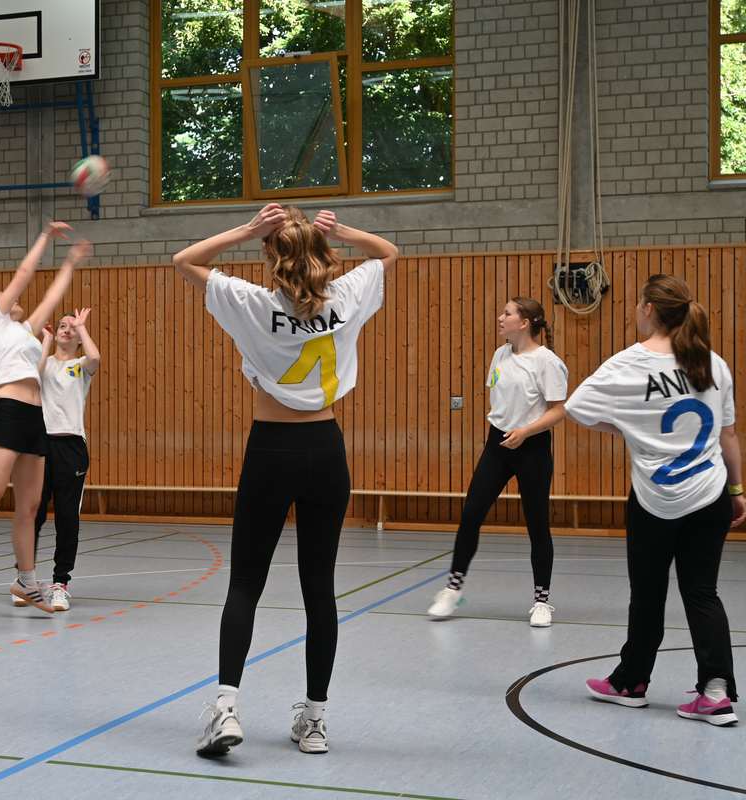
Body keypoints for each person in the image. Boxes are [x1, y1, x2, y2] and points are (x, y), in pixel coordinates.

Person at [174, 204, 398, 757]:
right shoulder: (345, 297)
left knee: (245, 584)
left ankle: (226, 710)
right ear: (321, 257)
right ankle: (315, 721)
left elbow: (185, 260)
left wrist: (249, 229)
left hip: (271, 450)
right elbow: (388, 253)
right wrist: (340, 231)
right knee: (318, 590)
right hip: (327, 453)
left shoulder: (253, 303)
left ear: (270, 257)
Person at [566, 273, 744, 726]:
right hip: (710, 495)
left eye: (636, 303)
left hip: (654, 500)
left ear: (648, 309)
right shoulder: (712, 363)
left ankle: (631, 683)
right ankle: (716, 692)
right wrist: (737, 491)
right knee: (703, 593)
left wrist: (627, 426)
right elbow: (728, 434)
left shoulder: (627, 364)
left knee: (647, 594)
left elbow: (577, 408)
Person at [0, 223, 91, 619]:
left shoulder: (27, 334)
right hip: (9, 413)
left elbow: (52, 296)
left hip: (35, 419)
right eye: (1, 296)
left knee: (28, 507)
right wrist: (45, 237)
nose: (11, 296)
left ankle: (27, 582)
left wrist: (70, 262)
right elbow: (24, 275)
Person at [426, 298, 569, 626]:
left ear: (525, 322)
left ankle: (542, 601)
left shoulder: (547, 361)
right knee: (472, 511)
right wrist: (507, 430)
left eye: (507, 313)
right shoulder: (500, 354)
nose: (500, 317)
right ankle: (453, 588)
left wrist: (526, 430)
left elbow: (559, 410)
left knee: (537, 524)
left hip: (531, 447)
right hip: (498, 445)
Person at [14, 308, 101, 612]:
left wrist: (83, 327)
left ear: (78, 338)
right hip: (40, 445)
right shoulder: (46, 361)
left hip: (72, 447)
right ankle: (25, 581)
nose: (67, 329)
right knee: (32, 514)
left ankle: (60, 584)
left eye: (71, 328)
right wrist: (46, 339)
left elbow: (96, 358)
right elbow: (33, 374)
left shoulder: (80, 366)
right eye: (63, 325)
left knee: (67, 520)